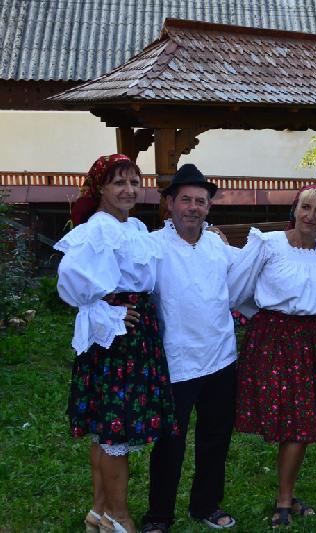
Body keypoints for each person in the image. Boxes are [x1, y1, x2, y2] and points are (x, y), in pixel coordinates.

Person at [55, 154, 178, 533]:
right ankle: (119, 517)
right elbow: (70, 281)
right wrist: (108, 311)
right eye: (119, 183)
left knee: (107, 429)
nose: (128, 190)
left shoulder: (137, 228)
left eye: (134, 182)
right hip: (117, 341)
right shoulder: (97, 230)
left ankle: (99, 511)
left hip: (137, 335)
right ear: (101, 189)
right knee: (114, 430)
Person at [228, 184, 316, 528]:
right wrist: (265, 317)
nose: (311, 216)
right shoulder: (268, 244)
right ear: (295, 209)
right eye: (306, 207)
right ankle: (285, 496)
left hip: (310, 339)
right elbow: (237, 289)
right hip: (272, 339)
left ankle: (285, 498)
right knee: (285, 419)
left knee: (302, 422)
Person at [141, 164, 239, 532]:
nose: (193, 208)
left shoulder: (218, 245)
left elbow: (247, 280)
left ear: (209, 207)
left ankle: (206, 505)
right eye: (186, 200)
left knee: (215, 438)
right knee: (170, 442)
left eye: (201, 201)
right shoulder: (152, 246)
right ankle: (159, 515)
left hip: (220, 359)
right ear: (169, 203)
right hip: (176, 361)